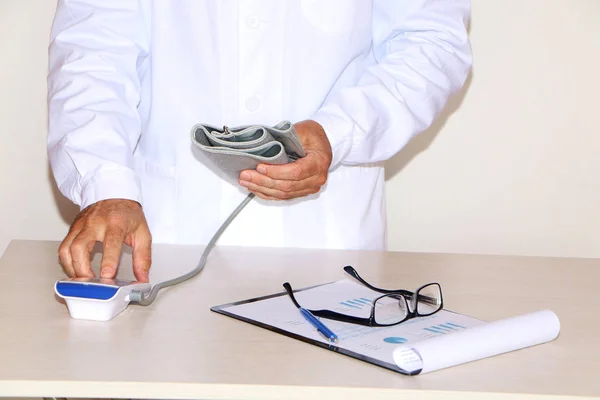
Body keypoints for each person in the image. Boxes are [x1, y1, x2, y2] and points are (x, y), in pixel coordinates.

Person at [47, 1, 472, 283]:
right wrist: (106, 185)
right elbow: (92, 55)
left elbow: (431, 45)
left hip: (326, 239)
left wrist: (338, 132)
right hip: (165, 236)